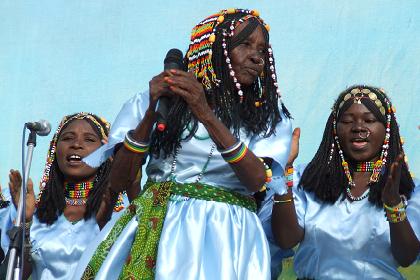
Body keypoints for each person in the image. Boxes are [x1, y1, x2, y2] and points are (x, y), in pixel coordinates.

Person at [78, 8, 292, 280]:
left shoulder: (270, 117)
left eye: (262, 50)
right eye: (245, 45)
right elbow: (119, 181)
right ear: (210, 50)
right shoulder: (154, 100)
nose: (256, 57)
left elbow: (257, 180)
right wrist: (151, 113)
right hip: (156, 226)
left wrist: (204, 112)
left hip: (227, 236)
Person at [270, 85, 420, 279]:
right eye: (348, 121)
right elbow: (286, 240)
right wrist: (284, 174)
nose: (358, 128)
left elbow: (407, 257)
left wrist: (393, 206)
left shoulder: (410, 190)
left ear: (386, 130)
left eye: (369, 120)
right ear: (335, 128)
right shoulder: (307, 178)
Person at [7, 112, 124, 279]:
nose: (76, 144)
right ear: (55, 149)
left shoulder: (123, 210)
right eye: (68, 138)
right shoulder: (35, 211)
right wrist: (25, 222)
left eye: (89, 139)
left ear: (105, 152)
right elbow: (16, 274)